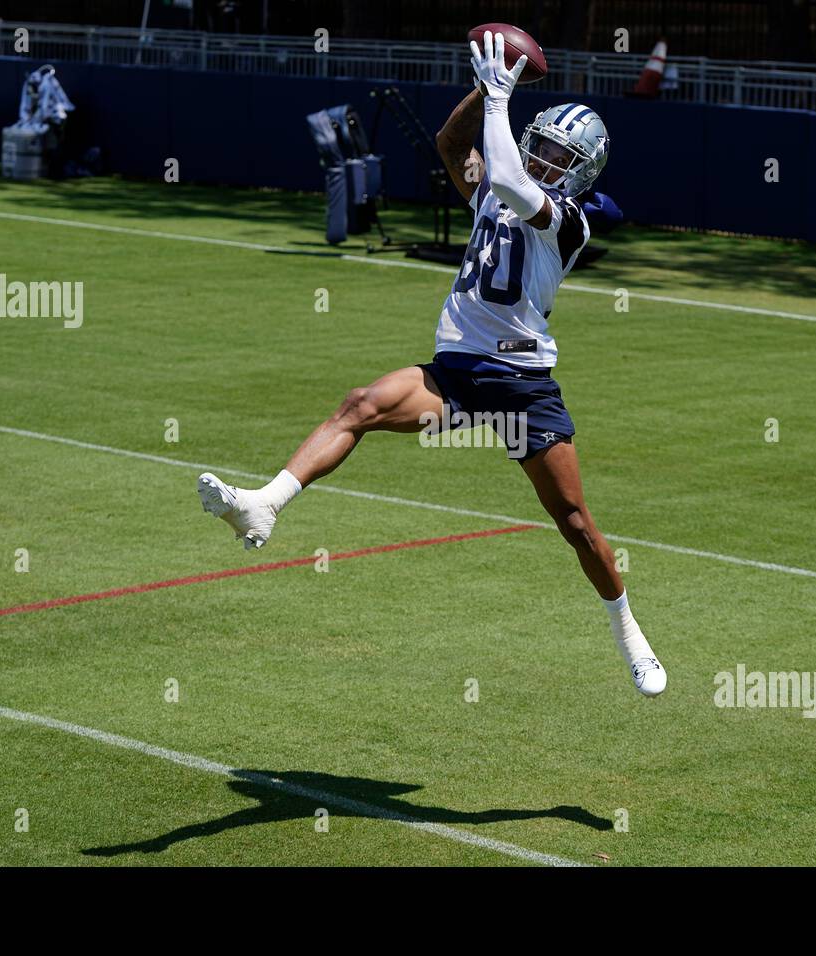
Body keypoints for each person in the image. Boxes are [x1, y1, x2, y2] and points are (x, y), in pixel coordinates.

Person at [195, 31, 666, 697]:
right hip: (456, 373)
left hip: (522, 385)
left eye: (559, 155)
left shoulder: (565, 218)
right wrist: (486, 88)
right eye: (542, 145)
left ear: (581, 171)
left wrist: (501, 99)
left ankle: (629, 633)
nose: (543, 158)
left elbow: (503, 171)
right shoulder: (492, 191)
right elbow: (454, 149)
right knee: (360, 403)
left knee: (576, 524)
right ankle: (263, 505)